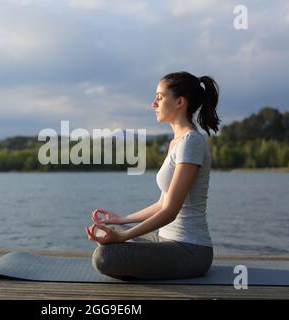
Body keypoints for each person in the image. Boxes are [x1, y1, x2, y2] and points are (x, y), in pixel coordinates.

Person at [85, 71, 221, 280]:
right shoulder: (177, 143)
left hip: (190, 249)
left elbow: (170, 211)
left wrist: (123, 236)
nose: (153, 104)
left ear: (179, 102)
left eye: (159, 97)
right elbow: (162, 203)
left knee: (104, 257)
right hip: (165, 239)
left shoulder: (191, 143)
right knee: (108, 231)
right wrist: (121, 220)